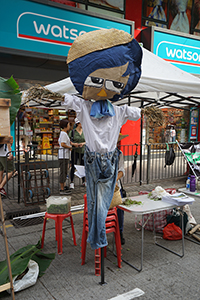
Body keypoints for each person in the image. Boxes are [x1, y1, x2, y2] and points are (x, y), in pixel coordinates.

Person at [69, 118, 86, 189]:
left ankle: (84, 181)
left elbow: (87, 140)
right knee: (73, 166)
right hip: (75, 151)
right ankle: (72, 182)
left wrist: (83, 143)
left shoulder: (85, 131)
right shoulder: (72, 132)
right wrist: (74, 144)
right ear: (78, 123)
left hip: (83, 151)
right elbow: (69, 141)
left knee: (83, 166)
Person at [58, 119, 72, 195]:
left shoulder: (63, 133)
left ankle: (64, 186)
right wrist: (69, 147)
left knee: (64, 171)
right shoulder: (63, 134)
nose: (69, 126)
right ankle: (62, 188)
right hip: (63, 155)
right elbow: (63, 144)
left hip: (64, 155)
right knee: (63, 172)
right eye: (69, 125)